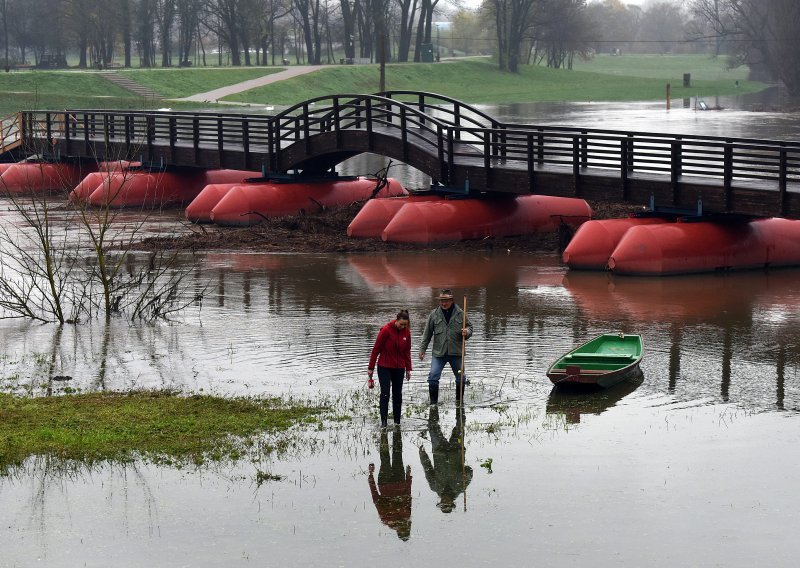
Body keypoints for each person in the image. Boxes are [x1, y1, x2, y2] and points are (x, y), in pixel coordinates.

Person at [418, 289, 473, 405]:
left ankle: (459, 402)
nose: (443, 303)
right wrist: (422, 349)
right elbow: (427, 334)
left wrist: (466, 332)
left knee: (461, 378)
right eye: (442, 301)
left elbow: (470, 327)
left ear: (451, 300)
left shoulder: (460, 313)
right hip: (439, 353)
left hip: (457, 353)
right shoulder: (433, 315)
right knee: (433, 377)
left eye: (446, 301)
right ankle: (433, 404)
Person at [418, 406, 472, 513]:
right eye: (447, 503)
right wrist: (466, 474)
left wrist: (423, 455)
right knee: (460, 426)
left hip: (439, 451)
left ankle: (433, 406)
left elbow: (428, 469)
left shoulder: (434, 487)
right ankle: (460, 406)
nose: (445, 500)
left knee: (432, 427)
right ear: (452, 502)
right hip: (456, 450)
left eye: (443, 503)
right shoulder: (461, 487)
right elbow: (469, 470)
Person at [368, 309, 412, 428]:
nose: (403, 327)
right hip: (384, 367)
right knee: (385, 394)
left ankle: (397, 422)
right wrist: (370, 367)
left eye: (405, 325)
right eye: (401, 324)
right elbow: (376, 349)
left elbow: (407, 351)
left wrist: (408, 368)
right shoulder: (386, 330)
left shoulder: (407, 333)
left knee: (397, 394)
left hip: (399, 368)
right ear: (396, 320)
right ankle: (384, 423)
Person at [368, 428, 412, 540]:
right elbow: (408, 496)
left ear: (397, 531)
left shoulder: (386, 519)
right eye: (405, 528)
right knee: (397, 455)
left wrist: (371, 479)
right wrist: (408, 477)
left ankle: (383, 434)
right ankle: (397, 431)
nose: (403, 526)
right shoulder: (407, 516)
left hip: (385, 483)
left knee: (385, 458)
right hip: (401, 480)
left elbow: (376, 499)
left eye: (402, 530)